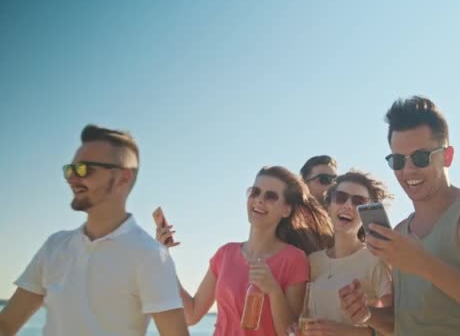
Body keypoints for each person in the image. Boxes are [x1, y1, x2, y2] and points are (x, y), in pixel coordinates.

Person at [339, 96, 460, 335]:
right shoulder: (399, 233)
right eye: (397, 160)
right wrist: (366, 314)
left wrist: (424, 265)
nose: (408, 170)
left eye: (420, 157)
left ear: (447, 156)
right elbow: (406, 322)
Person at [0, 124, 188, 336]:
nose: (71, 178)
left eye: (83, 169)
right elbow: (6, 325)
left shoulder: (151, 256)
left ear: (122, 178)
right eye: (69, 170)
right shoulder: (54, 246)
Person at [156, 166, 334, 335]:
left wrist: (273, 290)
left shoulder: (294, 259)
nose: (259, 200)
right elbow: (191, 314)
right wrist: (163, 258)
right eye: (255, 192)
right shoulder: (225, 254)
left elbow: (289, 333)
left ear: (286, 210)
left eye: (271, 196)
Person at [288, 170, 393, 336]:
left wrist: (345, 332)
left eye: (359, 201)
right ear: (328, 206)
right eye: (341, 197)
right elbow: (305, 316)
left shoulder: (376, 259)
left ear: (366, 213)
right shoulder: (312, 261)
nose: (348, 205)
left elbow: (394, 327)